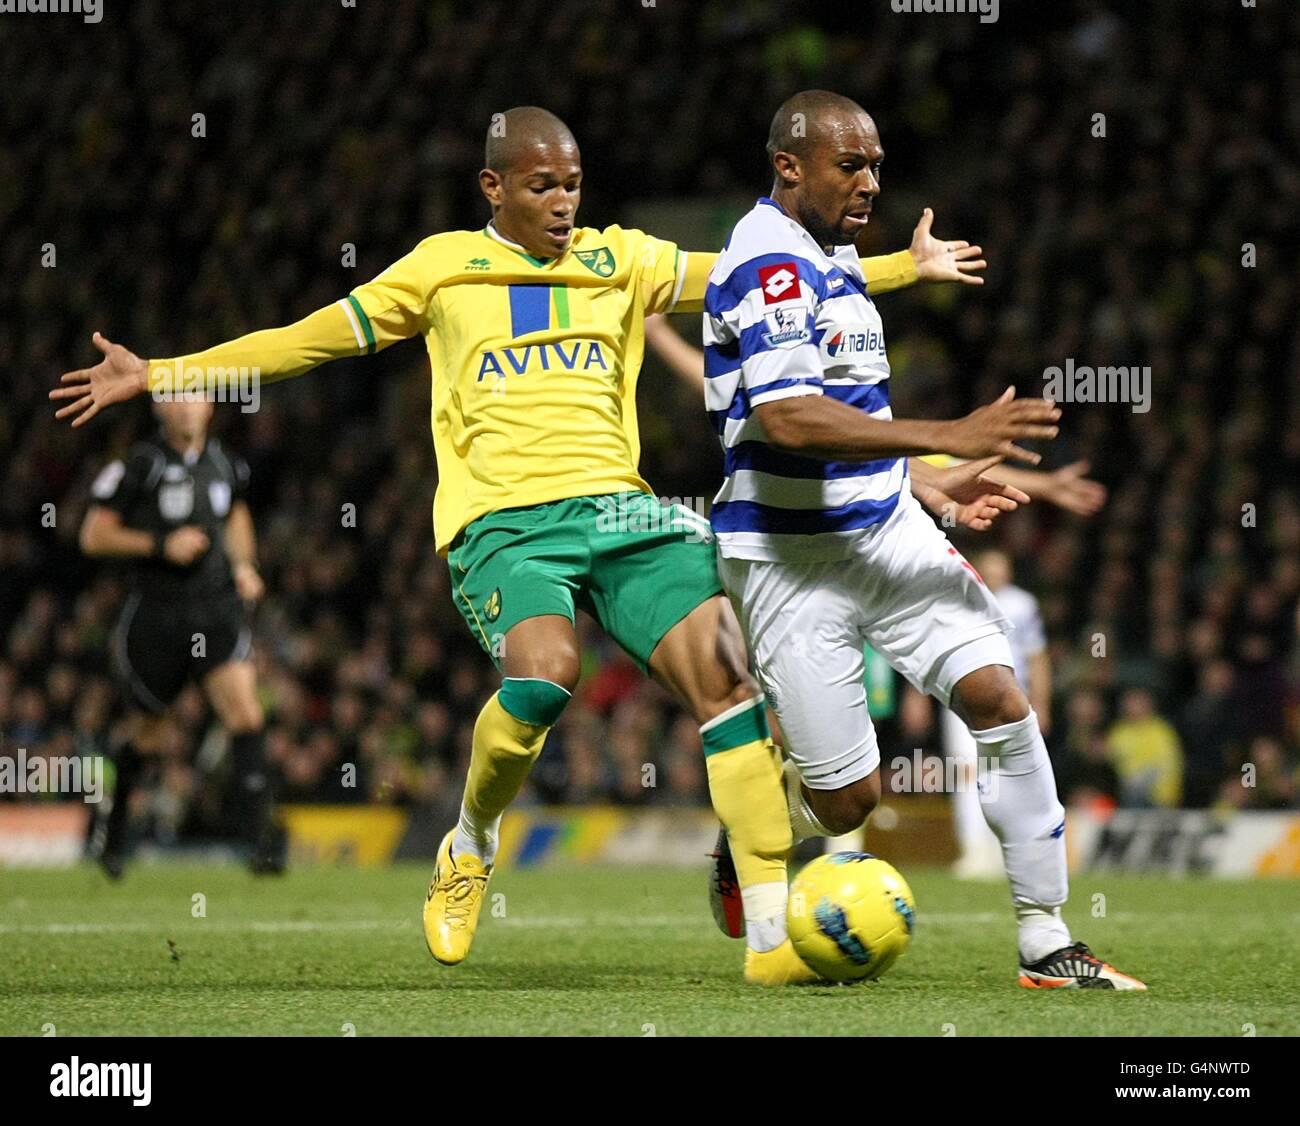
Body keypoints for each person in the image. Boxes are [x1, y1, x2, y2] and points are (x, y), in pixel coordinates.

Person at [52, 105, 1045, 985]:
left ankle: (770, 938)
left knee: (728, 677)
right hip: (503, 525)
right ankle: (472, 842)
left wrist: (899, 271)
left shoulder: (622, 259)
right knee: (543, 677)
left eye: (572, 183)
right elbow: (312, 337)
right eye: (541, 186)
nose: (564, 201)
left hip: (621, 513)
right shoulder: (442, 268)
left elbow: (756, 282)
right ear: (494, 187)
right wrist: (165, 373)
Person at [703, 89, 1145, 989]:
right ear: (789, 165)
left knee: (1001, 700)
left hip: (888, 531)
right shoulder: (768, 264)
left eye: (876, 164)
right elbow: (788, 421)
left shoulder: (832, 261)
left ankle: (1046, 942)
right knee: (848, 802)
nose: (870, 181)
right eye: (849, 165)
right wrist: (954, 432)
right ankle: (758, 811)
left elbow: (852, 411)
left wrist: (927, 483)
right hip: (791, 562)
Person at [79, 396, 281, 875]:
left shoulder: (227, 464)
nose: (188, 407)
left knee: (247, 717)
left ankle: (259, 844)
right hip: (157, 618)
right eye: (177, 397)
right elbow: (93, 535)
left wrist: (244, 566)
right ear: (161, 409)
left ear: (210, 407)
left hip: (214, 611)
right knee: (149, 736)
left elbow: (236, 516)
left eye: (197, 396)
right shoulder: (141, 465)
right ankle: (115, 829)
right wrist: (159, 545)